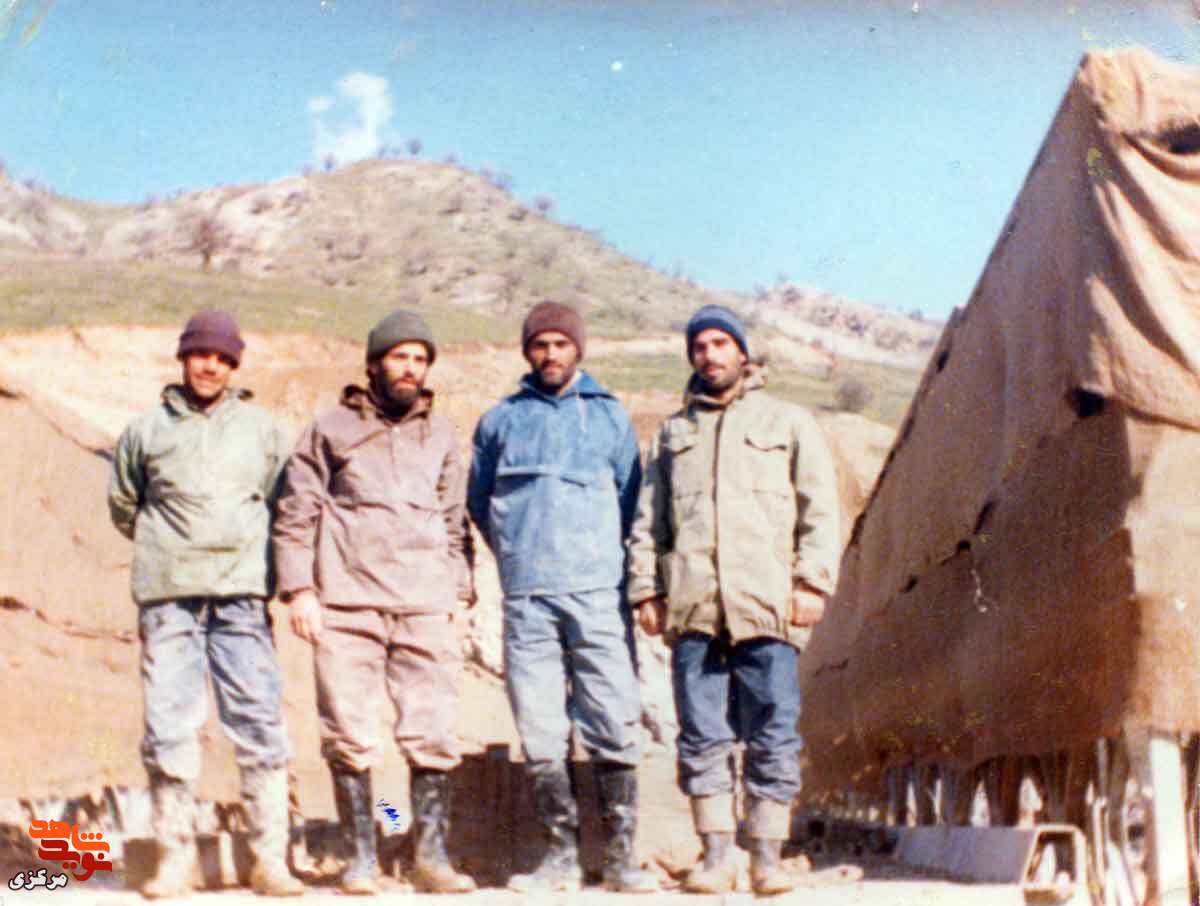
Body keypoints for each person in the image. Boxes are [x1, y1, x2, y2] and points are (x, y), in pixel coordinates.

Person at [626, 304, 841, 896]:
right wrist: (646, 589)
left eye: (721, 343)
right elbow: (648, 523)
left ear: (743, 353)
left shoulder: (788, 423)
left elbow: (819, 512)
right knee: (701, 733)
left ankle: (767, 857)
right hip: (694, 608)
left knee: (774, 731)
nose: (710, 355)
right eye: (700, 346)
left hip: (767, 607)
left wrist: (812, 583)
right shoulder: (672, 434)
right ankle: (717, 855)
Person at [272, 310, 476, 896]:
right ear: (374, 364)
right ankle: (361, 856)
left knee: (433, 730)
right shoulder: (330, 429)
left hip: (424, 603)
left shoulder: (441, 435)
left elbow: (454, 523)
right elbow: (296, 513)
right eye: (399, 356)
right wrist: (300, 590)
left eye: (420, 359)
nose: (410, 368)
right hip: (347, 604)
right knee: (349, 732)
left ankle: (429, 857)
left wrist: (459, 595)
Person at [107, 310, 302, 899]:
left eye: (222, 358)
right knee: (169, 724)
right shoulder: (144, 431)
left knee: (260, 721)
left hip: (241, 598)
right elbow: (124, 505)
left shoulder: (264, 431)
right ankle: (174, 858)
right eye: (200, 354)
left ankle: (270, 858)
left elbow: (283, 504)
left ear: (234, 366)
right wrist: (171, 547)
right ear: (183, 358)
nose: (210, 366)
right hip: (169, 599)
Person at [467, 301, 657, 893]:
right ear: (527, 351)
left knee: (612, 719)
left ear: (579, 349)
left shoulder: (610, 419)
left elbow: (632, 504)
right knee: (541, 726)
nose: (550, 354)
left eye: (561, 344)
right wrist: (519, 556)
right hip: (528, 599)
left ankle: (621, 859)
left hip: (598, 596)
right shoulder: (500, 422)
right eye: (540, 344)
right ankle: (559, 859)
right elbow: (480, 505)